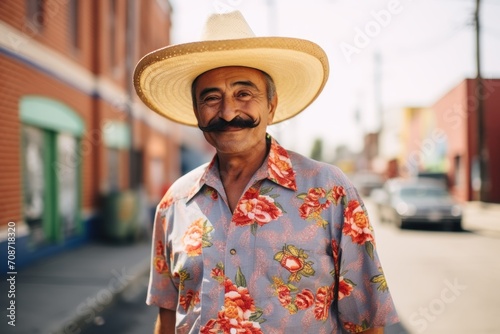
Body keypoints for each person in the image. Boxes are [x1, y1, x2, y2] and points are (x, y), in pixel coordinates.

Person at [134, 10, 399, 334]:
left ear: (271, 106)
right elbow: (166, 319)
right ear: (197, 112)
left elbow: (366, 322)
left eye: (244, 94)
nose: (229, 111)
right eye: (211, 98)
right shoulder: (175, 202)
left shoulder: (331, 191)